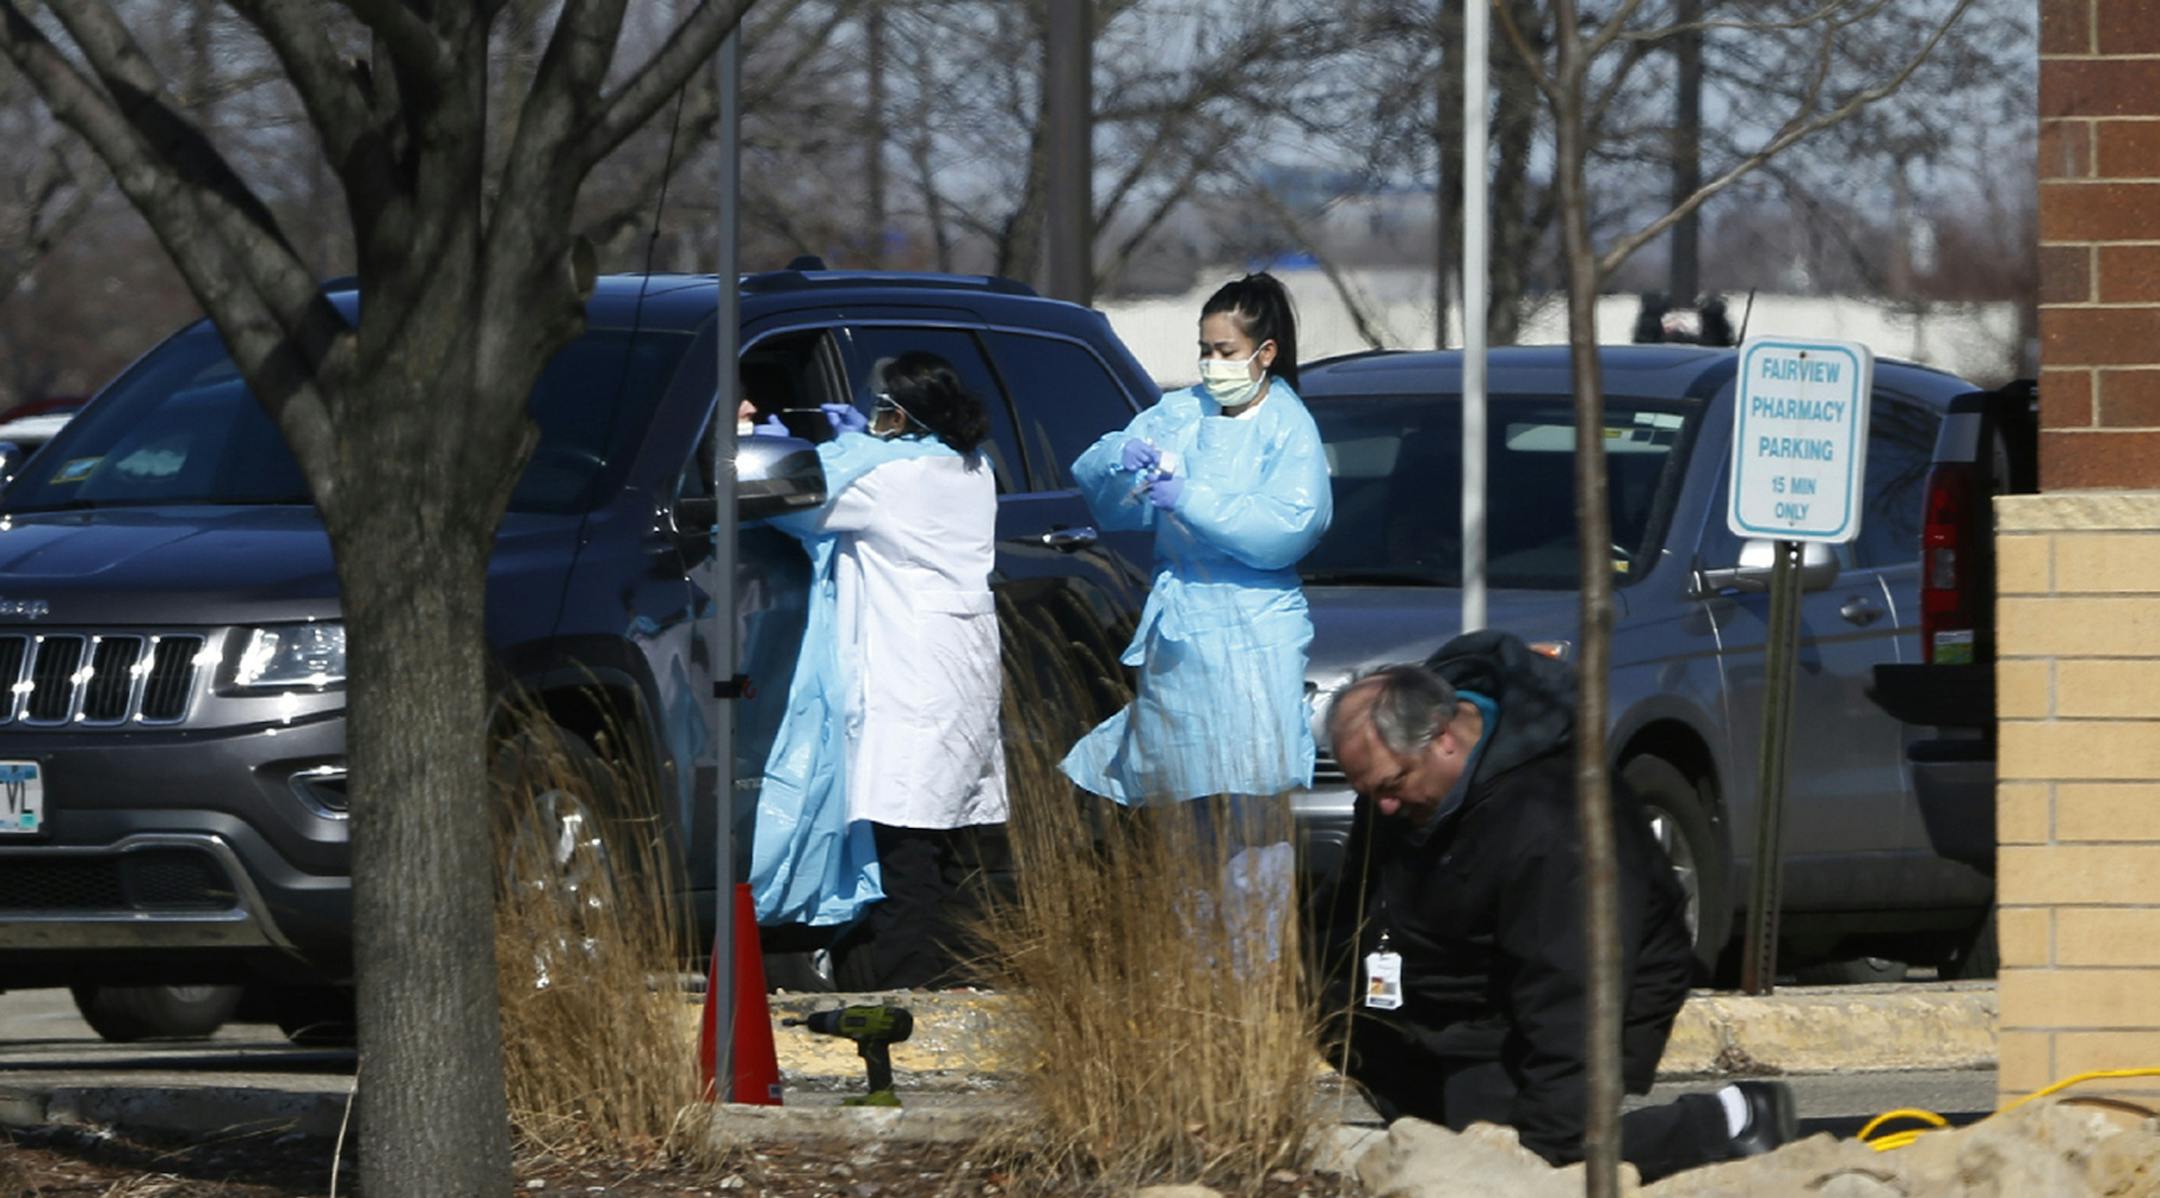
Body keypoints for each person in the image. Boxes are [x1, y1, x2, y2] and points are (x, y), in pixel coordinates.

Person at [1311, 631, 1797, 1183]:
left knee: (1519, 1164)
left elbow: (1571, 993)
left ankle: (1726, 1123)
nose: (1385, 806)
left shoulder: (1550, 819)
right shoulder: (1404, 793)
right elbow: (1341, 915)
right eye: (1370, 792)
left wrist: (1542, 1144)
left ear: (1444, 737)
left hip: (1576, 993)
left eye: (1392, 786)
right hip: (1454, 992)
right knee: (1441, 1155)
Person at [1058, 272, 1332, 919]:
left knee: (1251, 825)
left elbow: (1288, 529)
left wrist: (1192, 500)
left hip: (1252, 638)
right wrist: (1117, 460)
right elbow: (1106, 489)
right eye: (1205, 350)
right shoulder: (1182, 413)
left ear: (1265, 353)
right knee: (1183, 824)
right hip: (1182, 643)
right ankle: (1193, 986)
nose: (1212, 365)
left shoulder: (1288, 427)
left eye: (1226, 351)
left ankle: (1251, 990)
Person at [751, 352, 1008, 990]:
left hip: (913, 674)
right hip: (962, 666)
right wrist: (854, 447)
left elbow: (794, 506)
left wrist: (789, 450)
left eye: (879, 411)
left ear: (900, 417)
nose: (868, 421)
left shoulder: (889, 481)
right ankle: (955, 977)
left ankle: (909, 992)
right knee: (946, 837)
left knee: (906, 841)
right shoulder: (971, 468)